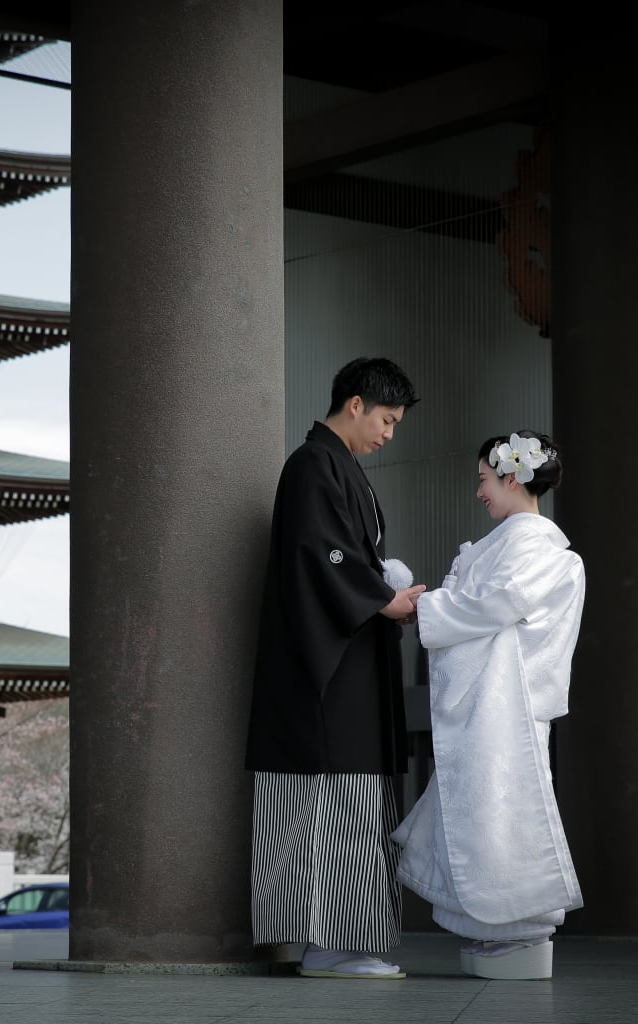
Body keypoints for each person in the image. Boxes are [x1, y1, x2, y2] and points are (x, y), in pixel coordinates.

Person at [245, 357, 424, 980]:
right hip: (325, 671)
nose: (388, 434)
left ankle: (346, 940)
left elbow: (343, 555)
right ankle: (330, 943)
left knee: (354, 795)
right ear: (355, 403)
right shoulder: (311, 466)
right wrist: (382, 597)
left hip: (349, 659)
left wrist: (384, 594)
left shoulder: (334, 466)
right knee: (328, 795)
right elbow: (320, 554)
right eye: (386, 419)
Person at [391, 430, 585, 980]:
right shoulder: (514, 541)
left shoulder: (532, 544)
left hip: (509, 704)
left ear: (511, 475)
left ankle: (521, 928)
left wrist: (427, 607)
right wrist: (433, 606)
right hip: (500, 701)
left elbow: (497, 604)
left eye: (482, 479)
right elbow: (481, 605)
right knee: (487, 805)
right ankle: (500, 929)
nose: (478, 492)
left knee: (505, 808)